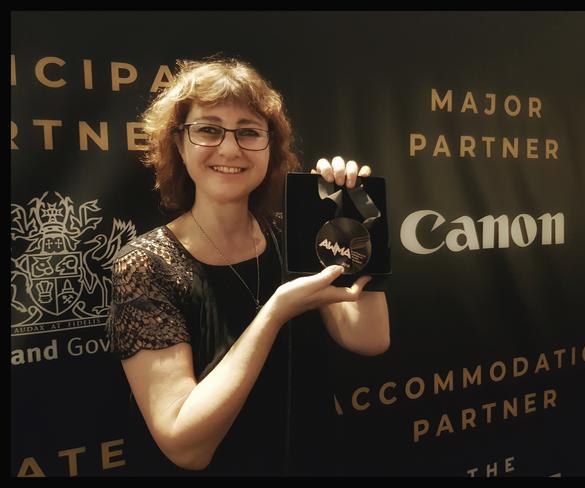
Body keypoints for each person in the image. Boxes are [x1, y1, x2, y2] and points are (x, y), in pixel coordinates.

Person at [105, 56, 390, 476]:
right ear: (178, 144)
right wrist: (274, 313)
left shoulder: (294, 235)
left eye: (249, 132)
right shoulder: (145, 264)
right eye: (208, 129)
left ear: (270, 148)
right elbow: (186, 447)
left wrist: (351, 219)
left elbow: (370, 339)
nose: (230, 148)